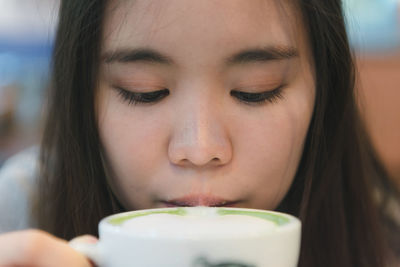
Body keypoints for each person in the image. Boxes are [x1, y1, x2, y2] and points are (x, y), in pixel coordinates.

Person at [0, 0, 397, 266]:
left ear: (323, 92)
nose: (200, 149)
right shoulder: (21, 211)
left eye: (256, 90)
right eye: (145, 91)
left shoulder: (382, 238)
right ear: (80, 95)